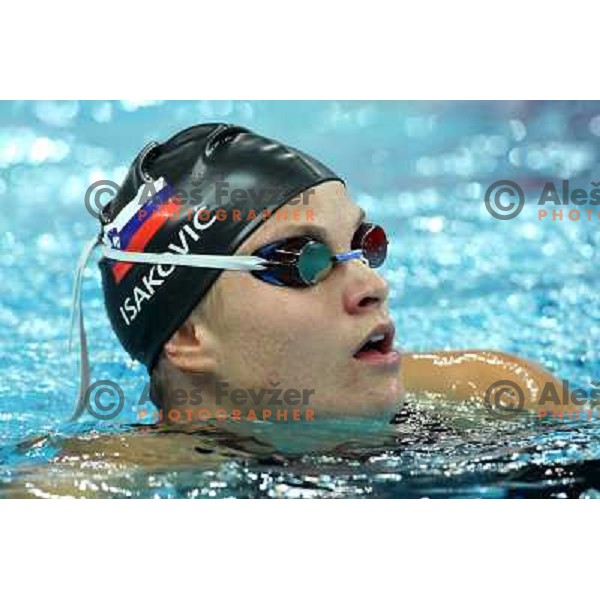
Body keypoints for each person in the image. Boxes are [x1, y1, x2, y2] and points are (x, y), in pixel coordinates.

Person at [71, 122, 562, 428]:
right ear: (188, 335)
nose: (373, 287)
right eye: (302, 261)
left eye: (363, 244)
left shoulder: (501, 397)